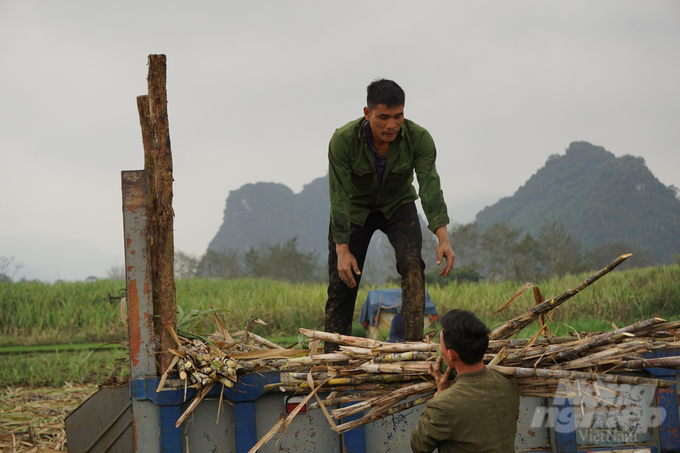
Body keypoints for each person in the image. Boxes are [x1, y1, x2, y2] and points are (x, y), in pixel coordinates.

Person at [324, 79, 455, 352]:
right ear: (367, 113)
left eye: (398, 117)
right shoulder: (343, 141)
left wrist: (443, 238)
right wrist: (342, 249)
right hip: (354, 209)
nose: (391, 125)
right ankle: (332, 355)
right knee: (342, 282)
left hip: (398, 205)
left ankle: (412, 344)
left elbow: (430, 186)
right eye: (383, 117)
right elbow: (338, 195)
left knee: (412, 266)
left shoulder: (419, 138)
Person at [410, 309, 520, 453]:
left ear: (451, 355)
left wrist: (440, 393)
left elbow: (419, 446)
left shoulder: (443, 404)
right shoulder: (508, 382)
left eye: (440, 345)